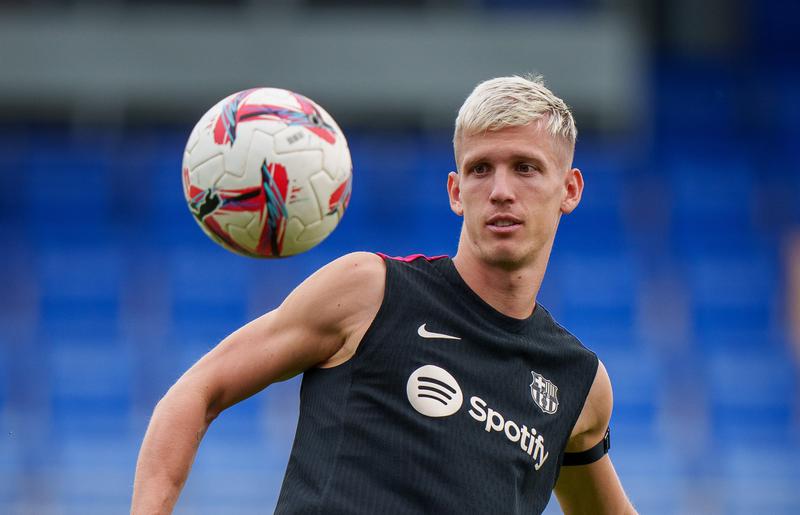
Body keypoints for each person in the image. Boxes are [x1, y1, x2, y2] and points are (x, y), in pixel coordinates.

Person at [132, 75, 636, 514]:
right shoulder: (370, 292)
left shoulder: (578, 385)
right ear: (456, 191)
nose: (501, 190)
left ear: (569, 189)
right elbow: (197, 391)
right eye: (481, 169)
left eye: (525, 168)